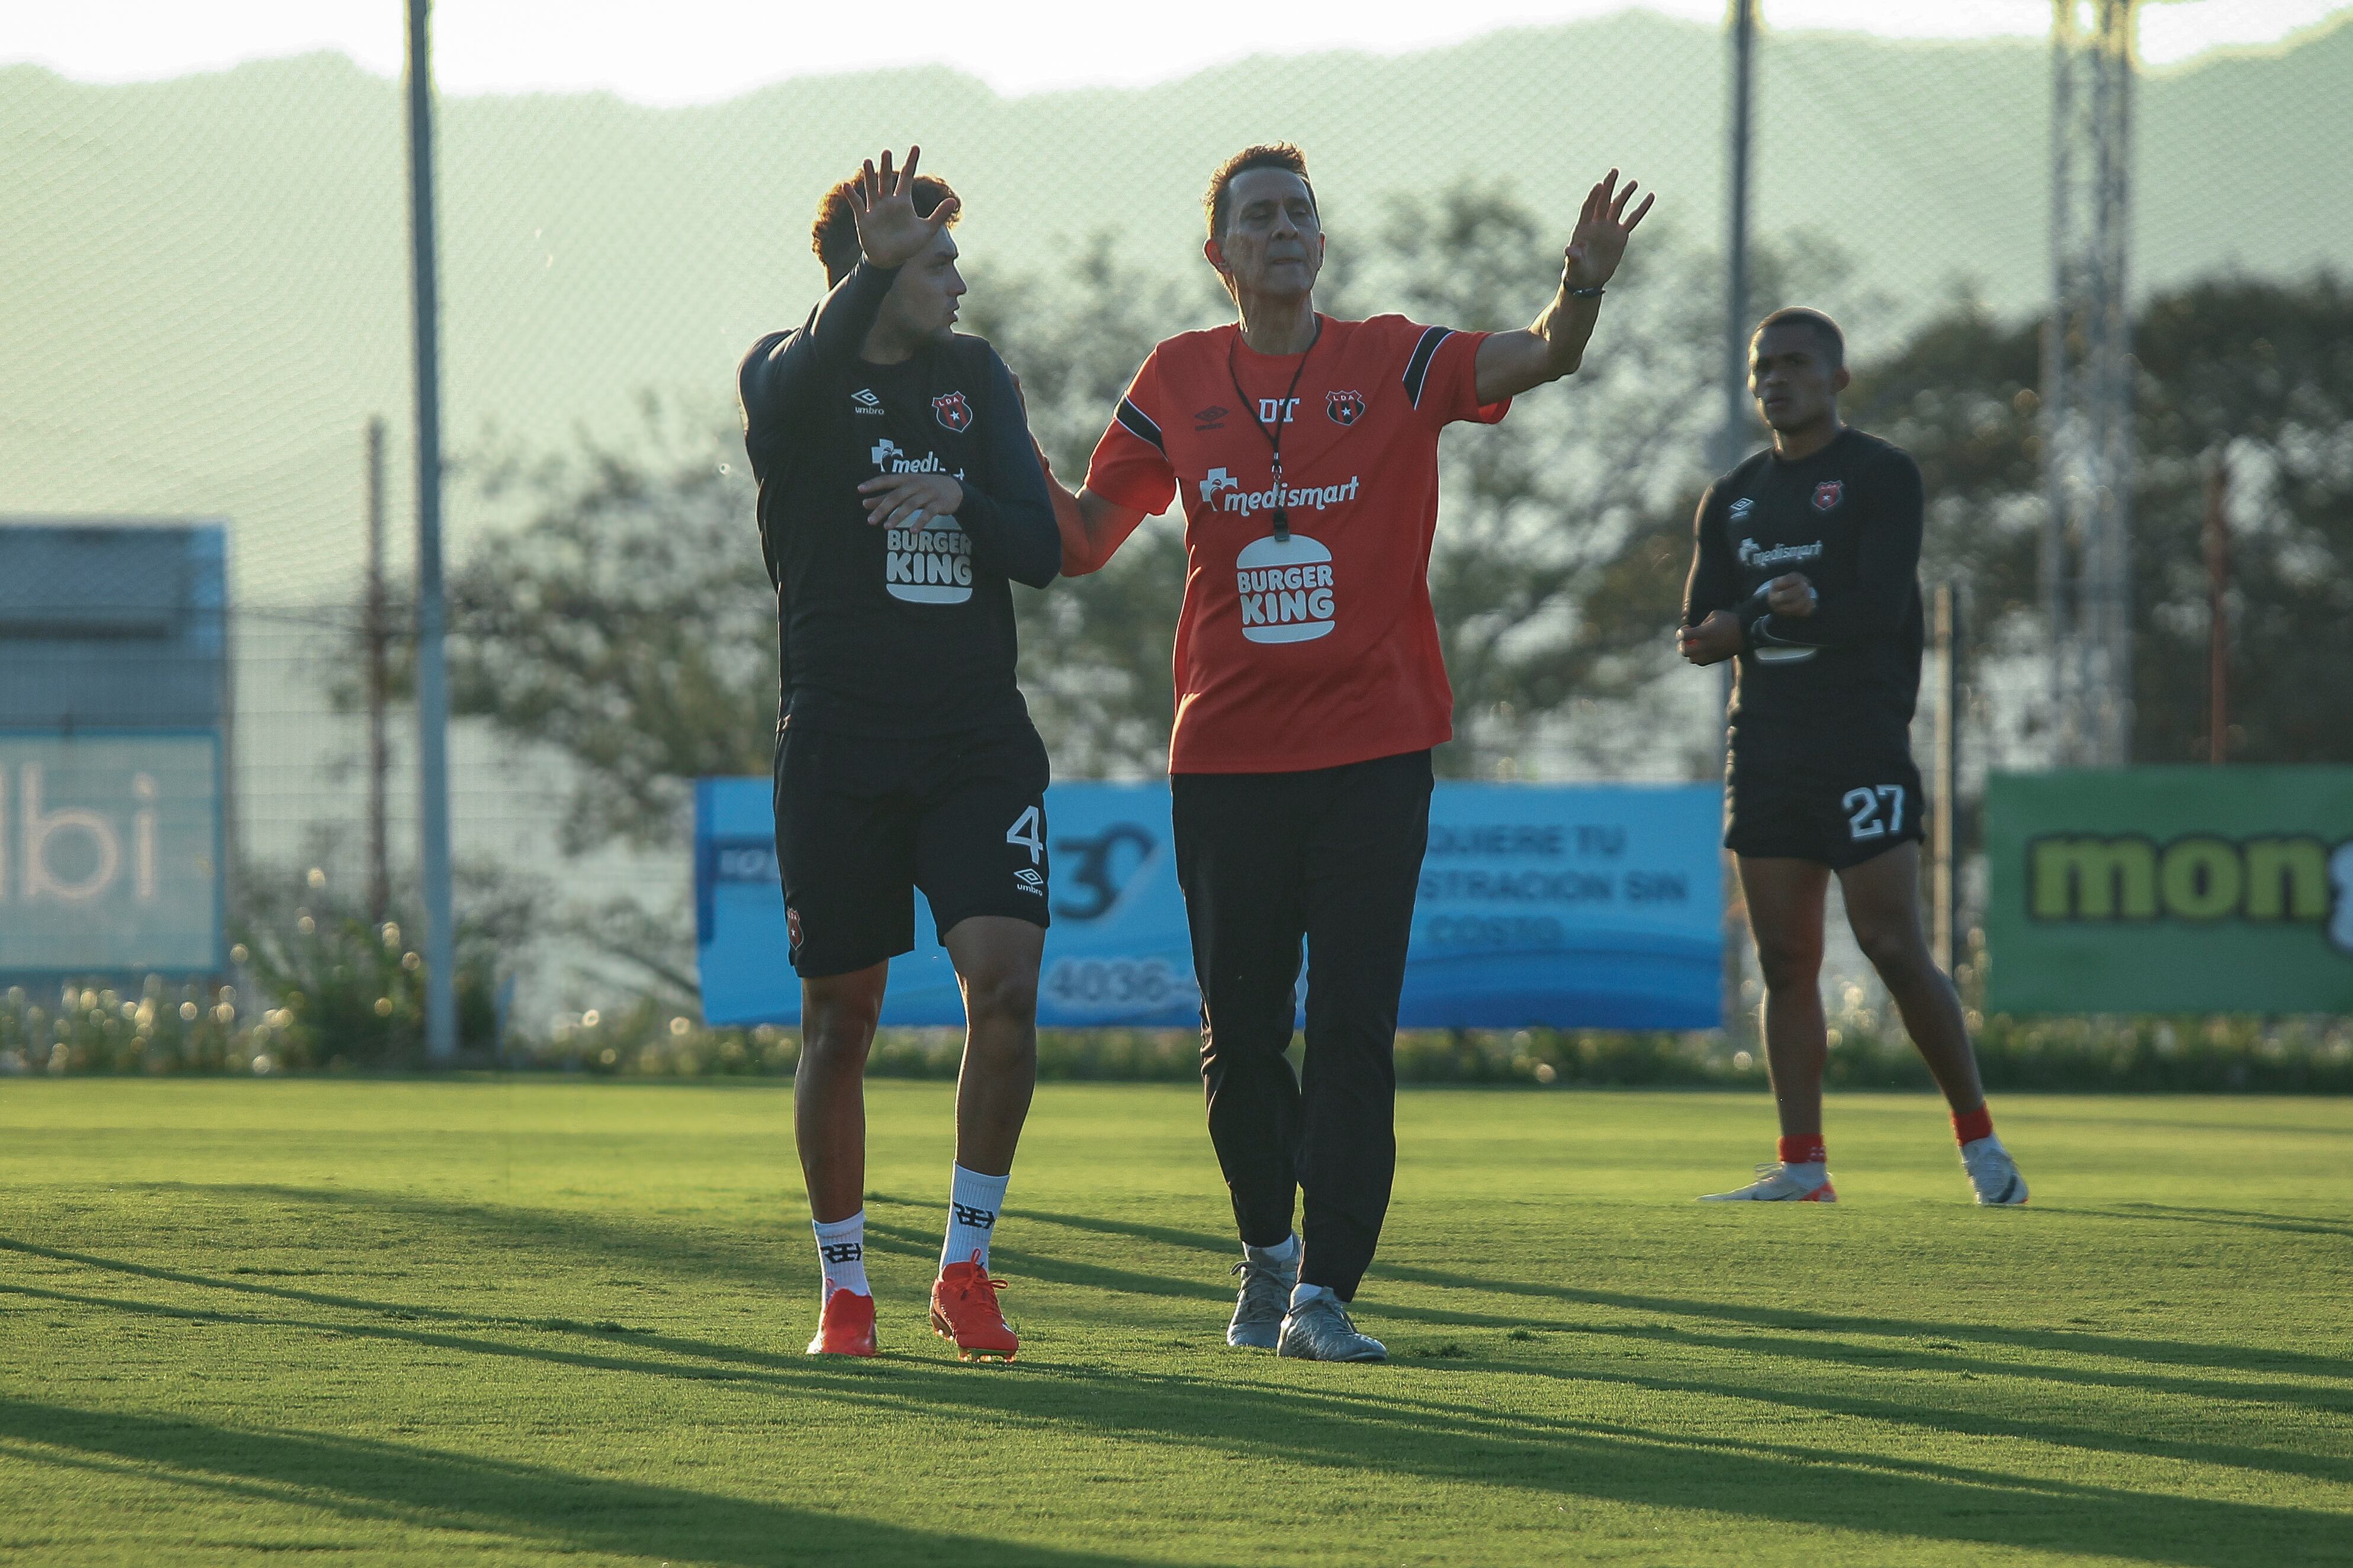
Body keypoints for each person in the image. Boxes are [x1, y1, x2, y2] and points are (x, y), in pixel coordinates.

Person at [1033, 144, 1653, 1361]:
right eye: (1257, 216)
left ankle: (1324, 1291)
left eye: (1299, 212)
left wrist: (1578, 285)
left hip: (1375, 751)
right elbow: (1086, 539)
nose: (1282, 229)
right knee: (1241, 1037)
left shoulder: (1394, 360)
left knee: (1356, 1025)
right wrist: (1004, 456)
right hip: (1225, 757)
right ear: (1219, 255)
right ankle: (1266, 1249)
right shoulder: (1175, 376)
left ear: (1321, 242)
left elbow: (1541, 354)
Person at [738, 148, 1062, 1360]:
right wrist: (865, 278)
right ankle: (844, 1288)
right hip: (838, 740)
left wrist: (958, 497)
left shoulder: (975, 379)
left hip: (976, 738)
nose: (959, 283)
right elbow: (799, 382)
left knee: (1009, 993)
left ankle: (965, 1267)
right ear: (870, 269)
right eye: (937, 262)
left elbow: (1041, 547)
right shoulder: (787, 373)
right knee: (841, 1019)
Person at [1677, 306, 2028, 1206]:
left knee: (1890, 943)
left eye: (1794, 364)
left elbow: (1877, 608)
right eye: (1762, 368)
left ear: (1836, 378)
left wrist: (1802, 604)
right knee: (1785, 963)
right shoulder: (1733, 497)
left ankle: (1979, 1142)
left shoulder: (1878, 474)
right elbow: (1697, 636)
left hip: (1861, 745)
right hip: (1764, 750)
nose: (1774, 381)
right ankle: (1802, 1165)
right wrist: (1761, 612)